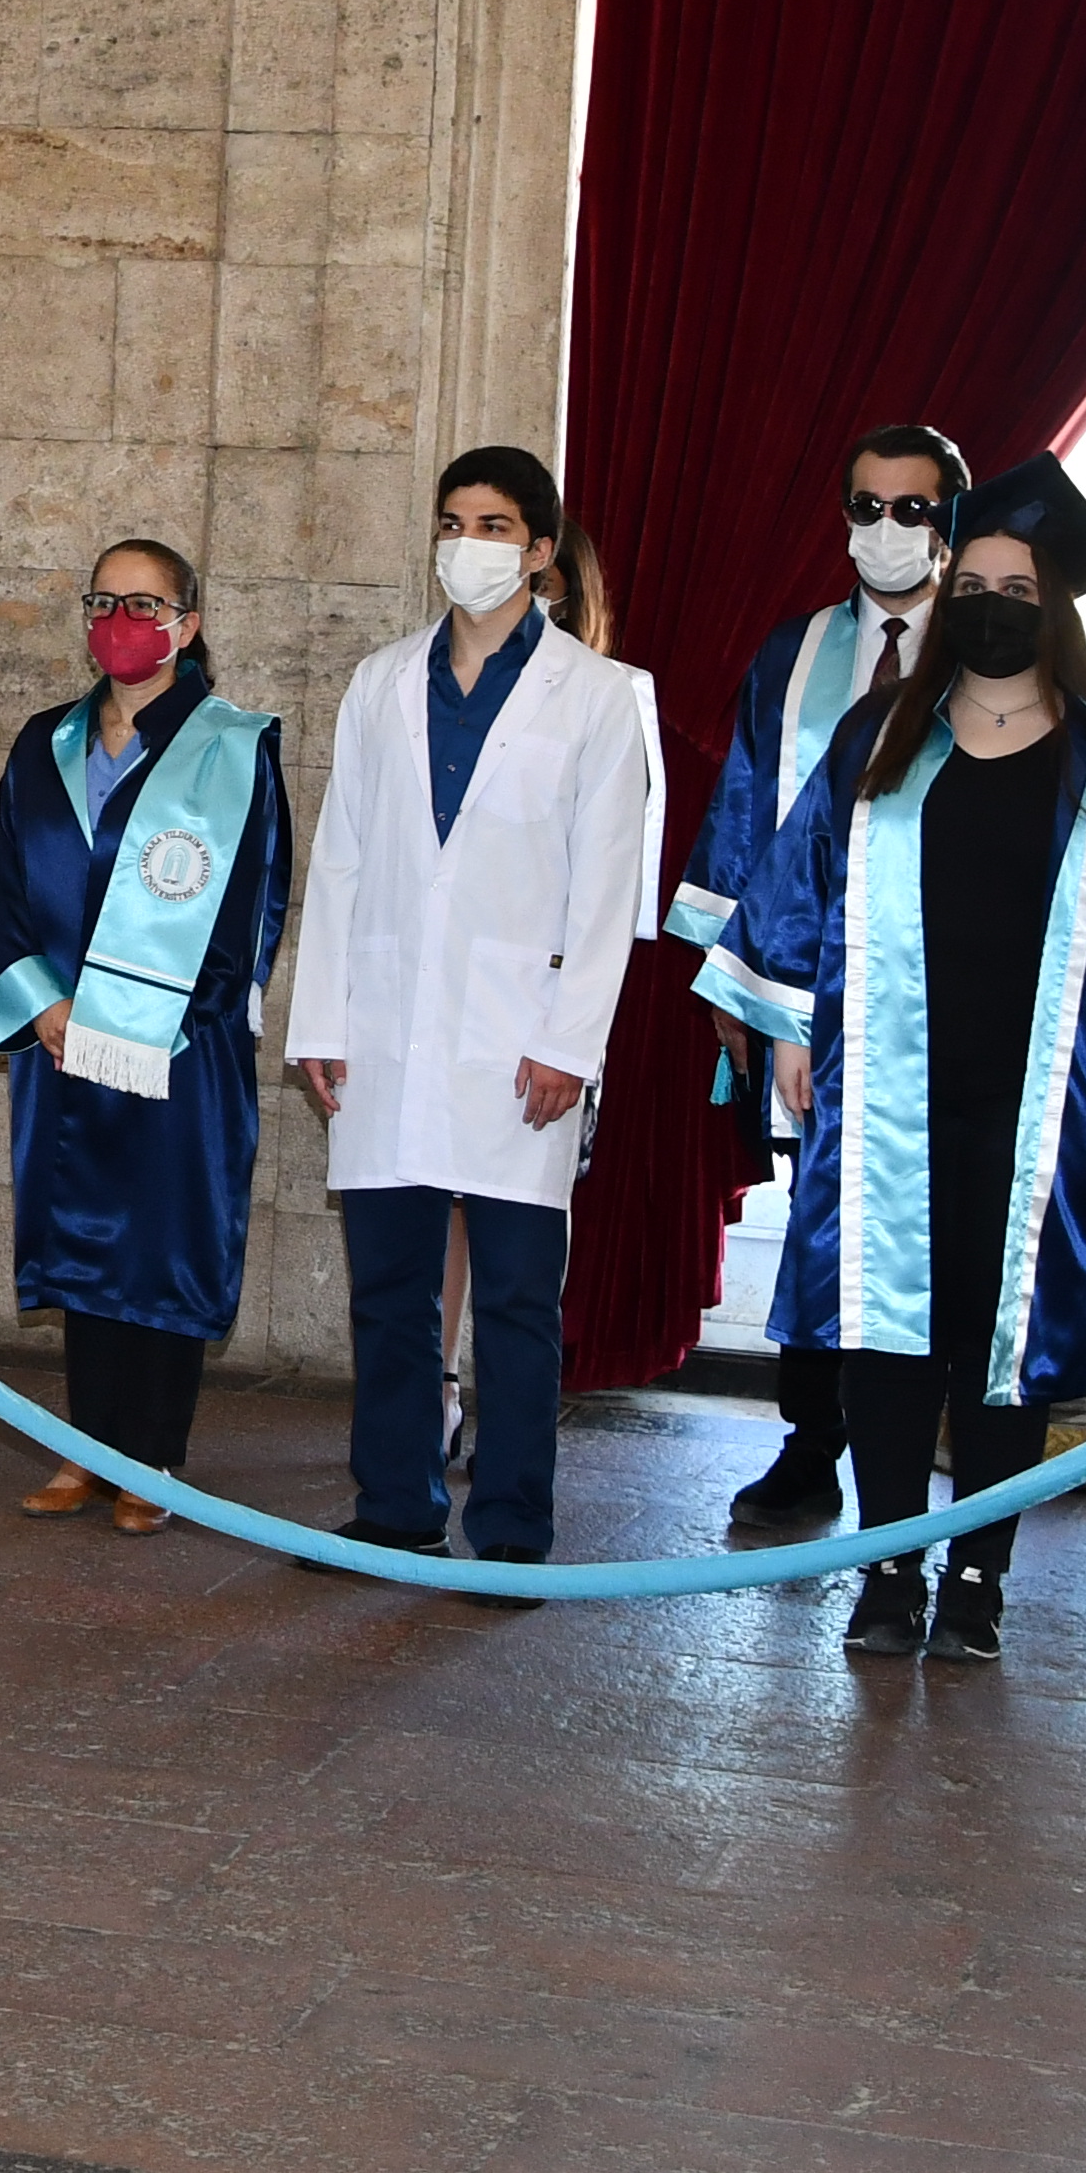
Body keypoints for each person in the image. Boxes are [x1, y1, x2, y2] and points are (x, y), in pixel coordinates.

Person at [711, 453, 1086, 1665]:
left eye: (1020, 582)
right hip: (889, 1081)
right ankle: (886, 1572)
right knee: (890, 1336)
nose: (994, 599)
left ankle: (980, 1574)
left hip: (1049, 1089)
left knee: (1013, 1344)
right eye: (977, 579)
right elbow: (798, 887)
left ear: (1057, 605)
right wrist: (789, 1025)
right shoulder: (881, 731)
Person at [282, 447, 663, 1583]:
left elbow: (606, 889)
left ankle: (509, 1524)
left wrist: (568, 1043)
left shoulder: (599, 694)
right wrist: (321, 1017)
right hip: (389, 1023)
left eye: (495, 525)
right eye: (454, 521)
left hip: (520, 1034)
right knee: (390, 1291)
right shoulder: (381, 680)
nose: (470, 544)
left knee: (512, 1299)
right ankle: (393, 1504)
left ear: (541, 551)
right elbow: (342, 854)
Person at [674, 422, 964, 1542]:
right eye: (866, 506)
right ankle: (812, 1442)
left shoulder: (978, 654)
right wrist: (737, 989)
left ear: (949, 523)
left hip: (933, 992)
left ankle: (922, 1432)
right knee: (817, 1218)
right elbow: (747, 812)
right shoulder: (791, 655)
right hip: (808, 989)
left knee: (925, 1217)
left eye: (911, 509)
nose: (884, 530)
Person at [0, 540, 291, 1534]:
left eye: (145, 602)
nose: (121, 617)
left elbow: (254, 900)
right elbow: (4, 889)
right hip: (64, 1039)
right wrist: (45, 1008)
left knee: (160, 1239)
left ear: (187, 623)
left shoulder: (232, 746)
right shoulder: (44, 742)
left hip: (177, 1045)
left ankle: (151, 1457)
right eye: (104, 599)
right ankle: (86, 1446)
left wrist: (164, 1021)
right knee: (83, 1239)